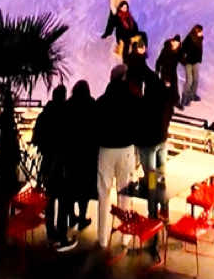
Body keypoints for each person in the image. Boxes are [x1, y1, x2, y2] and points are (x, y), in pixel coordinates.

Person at [95, 67, 139, 250]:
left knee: (103, 194)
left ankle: (102, 238)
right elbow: (138, 124)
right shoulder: (133, 100)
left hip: (106, 150)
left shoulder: (101, 101)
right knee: (125, 194)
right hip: (126, 150)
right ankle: (125, 236)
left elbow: (95, 126)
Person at [134, 55, 175, 226]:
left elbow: (138, 123)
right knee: (161, 177)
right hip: (162, 142)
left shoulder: (144, 104)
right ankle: (164, 209)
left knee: (151, 179)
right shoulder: (166, 101)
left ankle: (152, 214)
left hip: (148, 145)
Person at [33, 85, 76, 251]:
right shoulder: (68, 114)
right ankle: (62, 237)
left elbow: (36, 139)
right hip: (64, 166)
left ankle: (50, 233)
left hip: (48, 164)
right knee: (64, 202)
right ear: (64, 97)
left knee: (49, 201)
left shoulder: (44, 115)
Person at [64, 79, 98, 235]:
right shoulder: (92, 105)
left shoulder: (68, 105)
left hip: (71, 154)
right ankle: (82, 218)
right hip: (87, 155)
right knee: (85, 189)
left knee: (70, 187)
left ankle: (71, 216)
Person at [103, 0, 140, 64]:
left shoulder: (129, 16)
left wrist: (136, 33)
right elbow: (112, 25)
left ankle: (136, 58)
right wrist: (107, 34)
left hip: (129, 33)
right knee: (127, 42)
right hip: (121, 34)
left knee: (140, 37)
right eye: (123, 7)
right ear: (120, 8)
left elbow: (134, 25)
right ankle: (125, 60)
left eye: (126, 7)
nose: (125, 9)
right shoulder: (118, 16)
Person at [180, 24, 204, 106]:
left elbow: (199, 50)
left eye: (201, 31)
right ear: (196, 31)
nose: (201, 32)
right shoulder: (189, 38)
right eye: (200, 31)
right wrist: (184, 58)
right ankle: (185, 98)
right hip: (188, 62)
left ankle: (192, 95)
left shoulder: (200, 38)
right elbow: (182, 48)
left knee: (196, 79)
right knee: (189, 80)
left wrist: (199, 59)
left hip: (196, 61)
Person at [155, 36, 182, 109]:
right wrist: (157, 70)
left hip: (173, 71)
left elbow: (181, 59)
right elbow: (159, 61)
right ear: (172, 41)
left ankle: (176, 101)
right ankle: (164, 103)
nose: (176, 45)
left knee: (174, 87)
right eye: (175, 43)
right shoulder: (166, 49)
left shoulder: (178, 51)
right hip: (165, 71)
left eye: (178, 44)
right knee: (166, 87)